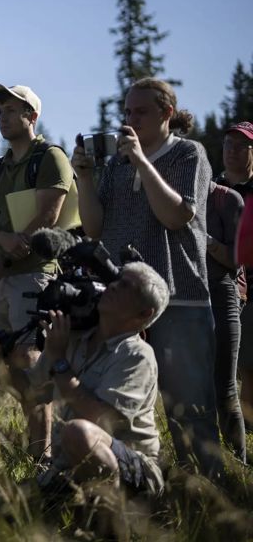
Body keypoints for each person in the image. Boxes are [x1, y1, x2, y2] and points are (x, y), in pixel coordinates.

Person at [73, 77, 222, 476]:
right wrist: (84, 178)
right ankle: (131, 484)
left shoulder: (188, 153)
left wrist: (141, 161)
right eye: (127, 112)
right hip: (121, 299)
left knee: (189, 407)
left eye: (140, 112)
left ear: (167, 113)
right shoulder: (116, 165)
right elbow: (94, 228)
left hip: (179, 295)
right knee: (119, 405)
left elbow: (176, 215)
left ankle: (206, 491)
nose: (130, 119)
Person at [0, 83, 76, 460]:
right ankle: (42, 449)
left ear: (31, 116)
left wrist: (6, 254)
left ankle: (45, 455)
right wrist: (3, 241)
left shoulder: (49, 157)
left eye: (10, 111)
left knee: (31, 360)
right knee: (12, 366)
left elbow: (49, 216)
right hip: (3, 279)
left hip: (37, 274)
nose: (1, 117)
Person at [30, 262, 169, 498]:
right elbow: (34, 391)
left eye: (126, 286)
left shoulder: (137, 355)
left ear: (144, 313)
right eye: (116, 281)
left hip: (134, 470)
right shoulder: (75, 337)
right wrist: (9, 357)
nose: (113, 286)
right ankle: (74, 497)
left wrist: (60, 363)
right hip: (68, 464)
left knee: (78, 433)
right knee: (1, 504)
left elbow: (102, 420)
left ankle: (111, 512)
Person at [205, 179, 247, 462]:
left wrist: (206, 240)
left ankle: (238, 465)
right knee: (195, 390)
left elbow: (236, 259)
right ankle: (206, 464)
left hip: (222, 295)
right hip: (184, 296)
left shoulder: (226, 199)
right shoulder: (164, 195)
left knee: (225, 388)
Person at [216, 121, 253, 429]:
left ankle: (248, 430)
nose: (233, 151)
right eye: (229, 144)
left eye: (242, 146)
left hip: (251, 288)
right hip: (219, 284)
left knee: (249, 366)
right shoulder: (211, 188)